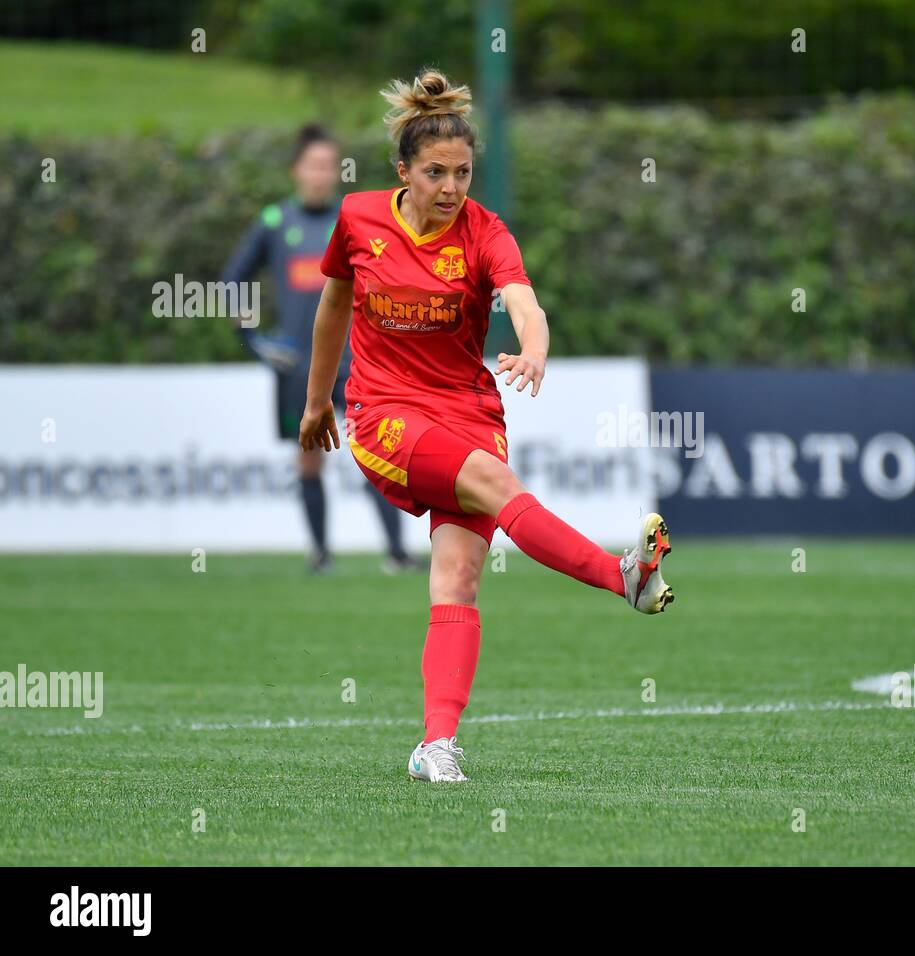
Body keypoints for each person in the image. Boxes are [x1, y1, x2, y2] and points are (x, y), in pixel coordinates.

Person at [299, 69, 674, 783]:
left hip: (468, 406)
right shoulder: (358, 220)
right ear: (401, 171)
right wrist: (318, 402)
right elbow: (333, 310)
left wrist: (533, 348)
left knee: (459, 577)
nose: (450, 187)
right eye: (435, 173)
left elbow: (525, 303)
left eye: (463, 173)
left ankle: (435, 745)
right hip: (384, 413)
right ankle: (618, 575)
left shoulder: (484, 230)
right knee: (494, 481)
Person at [222, 124, 418, 574]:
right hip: (298, 365)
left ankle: (397, 553)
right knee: (309, 460)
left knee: (375, 455)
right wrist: (252, 338)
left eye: (329, 166)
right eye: (313, 165)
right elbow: (231, 281)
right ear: (296, 170)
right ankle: (320, 555)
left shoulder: (352, 220)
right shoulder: (274, 222)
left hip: (356, 363)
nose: (321, 174)